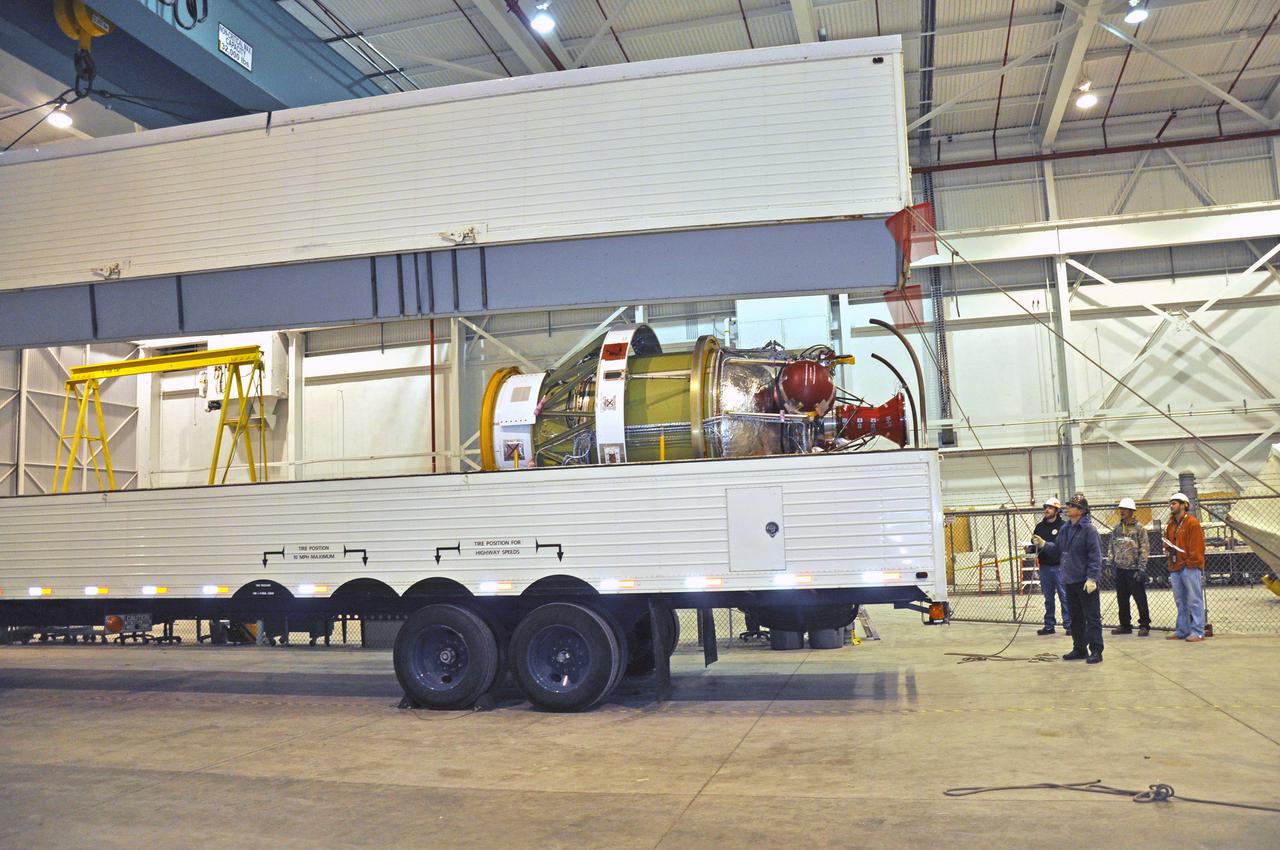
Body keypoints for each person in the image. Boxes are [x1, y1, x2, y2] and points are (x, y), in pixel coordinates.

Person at [1059, 494, 1104, 664]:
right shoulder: (1066, 529)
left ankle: (1096, 650)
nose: (1068, 507)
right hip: (1070, 580)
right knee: (1075, 617)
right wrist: (1042, 545)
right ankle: (1079, 648)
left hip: (1085, 582)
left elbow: (1095, 556)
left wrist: (1092, 577)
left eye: (1071, 505)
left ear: (1080, 510)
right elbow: (1058, 548)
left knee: (1092, 617)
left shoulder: (1088, 530)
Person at [1164, 492, 1206, 642]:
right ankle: (1182, 630)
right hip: (1175, 566)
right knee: (1180, 600)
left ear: (1184, 505)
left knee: (1194, 599)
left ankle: (1198, 631)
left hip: (1190, 567)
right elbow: (1168, 542)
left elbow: (1197, 546)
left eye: (1175, 503)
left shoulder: (1192, 523)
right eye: (1171, 503)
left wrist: (1191, 563)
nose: (1171, 505)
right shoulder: (1170, 524)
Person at [1109, 497, 1151, 636]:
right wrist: (1110, 564)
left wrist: (1141, 568)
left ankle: (1144, 624)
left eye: (1125, 509)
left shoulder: (1139, 528)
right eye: (1121, 509)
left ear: (1132, 511)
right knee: (1122, 598)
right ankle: (1125, 625)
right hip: (1120, 569)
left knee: (1140, 598)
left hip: (1134, 569)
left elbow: (1144, 549)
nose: (1122, 511)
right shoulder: (1117, 529)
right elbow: (1111, 546)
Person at [1030, 498, 1070, 636]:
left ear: (1057, 510)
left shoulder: (1064, 527)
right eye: (1046, 507)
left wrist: (1044, 544)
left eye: (1050, 508)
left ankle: (1069, 625)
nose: (1047, 510)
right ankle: (1049, 625)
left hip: (1060, 567)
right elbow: (1035, 545)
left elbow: (1062, 547)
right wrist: (1030, 548)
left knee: (1064, 597)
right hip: (1045, 567)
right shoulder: (1039, 527)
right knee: (1048, 598)